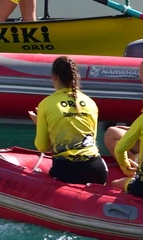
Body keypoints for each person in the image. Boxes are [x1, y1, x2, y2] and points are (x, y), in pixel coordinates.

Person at [27, 56, 108, 185]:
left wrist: (41, 124)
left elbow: (42, 146)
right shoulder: (90, 102)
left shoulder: (46, 104)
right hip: (96, 169)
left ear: (54, 77)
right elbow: (89, 140)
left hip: (67, 170)